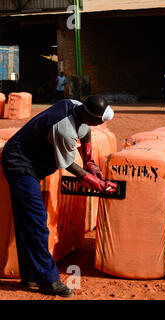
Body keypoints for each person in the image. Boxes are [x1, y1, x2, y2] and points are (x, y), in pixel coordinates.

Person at [1, 95, 117, 298]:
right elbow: (70, 165)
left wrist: (90, 161)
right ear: (91, 116)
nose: (102, 124)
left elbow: (87, 132)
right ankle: (48, 280)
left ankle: (30, 275)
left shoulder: (75, 106)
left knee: (26, 222)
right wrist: (98, 183)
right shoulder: (64, 129)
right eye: (100, 120)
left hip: (30, 161)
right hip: (20, 164)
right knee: (36, 223)